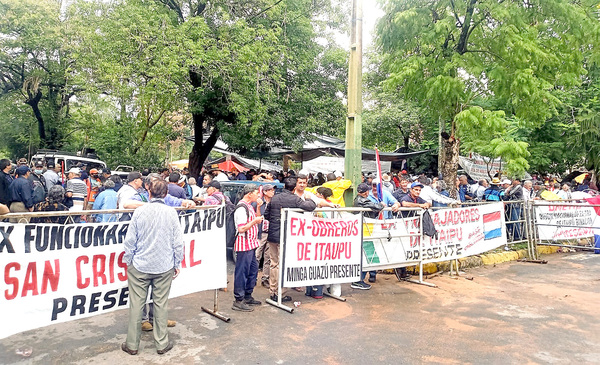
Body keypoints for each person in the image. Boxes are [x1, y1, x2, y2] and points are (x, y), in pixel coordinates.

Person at [121, 179, 183, 356]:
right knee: (161, 304)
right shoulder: (171, 213)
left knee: (136, 305)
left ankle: (132, 345)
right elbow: (178, 242)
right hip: (164, 266)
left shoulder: (140, 212)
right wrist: (177, 263)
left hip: (139, 265)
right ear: (165, 194)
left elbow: (130, 241)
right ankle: (162, 344)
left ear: (149, 192)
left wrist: (129, 260)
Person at [264, 177, 316, 302]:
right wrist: (309, 199)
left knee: (274, 264)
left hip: (272, 236)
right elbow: (310, 207)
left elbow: (266, 214)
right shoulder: (295, 199)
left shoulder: (275, 198)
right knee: (284, 264)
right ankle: (281, 293)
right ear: (294, 188)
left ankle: (273, 292)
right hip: (286, 237)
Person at [232, 184, 263, 311]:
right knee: (242, 272)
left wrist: (259, 208)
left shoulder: (250, 206)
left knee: (252, 271)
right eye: (256, 192)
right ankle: (238, 299)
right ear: (249, 194)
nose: (258, 195)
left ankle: (247, 295)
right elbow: (241, 228)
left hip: (251, 243)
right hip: (244, 244)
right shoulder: (241, 208)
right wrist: (254, 222)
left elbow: (256, 218)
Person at [350, 183, 385, 290]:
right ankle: (358, 280)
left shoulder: (358, 199)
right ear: (366, 192)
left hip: (365, 230)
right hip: (364, 231)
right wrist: (382, 204)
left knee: (367, 255)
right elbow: (377, 206)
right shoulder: (362, 200)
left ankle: (365, 277)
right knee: (366, 255)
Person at [256, 184, 275, 288]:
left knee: (268, 257)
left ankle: (265, 278)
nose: (273, 192)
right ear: (265, 192)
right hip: (261, 232)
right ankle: (253, 277)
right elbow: (257, 216)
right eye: (271, 190)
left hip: (270, 232)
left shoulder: (273, 203)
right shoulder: (259, 203)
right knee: (257, 255)